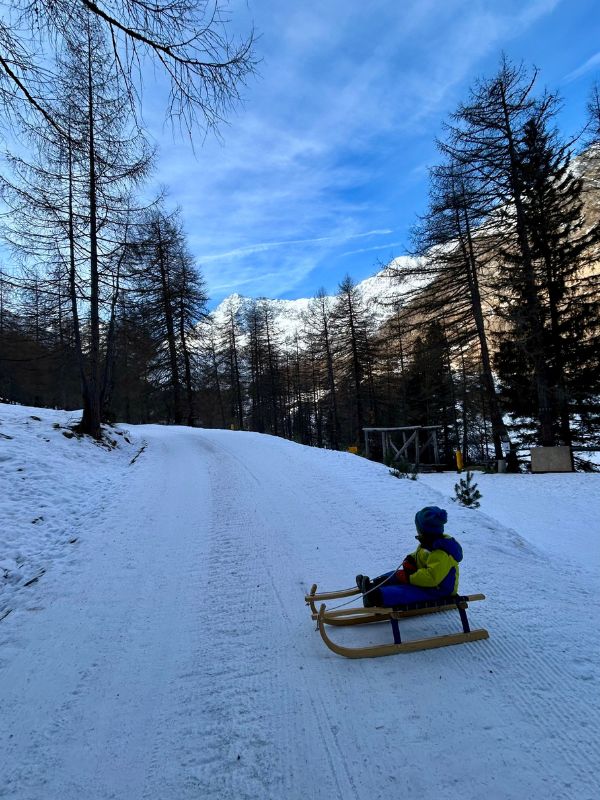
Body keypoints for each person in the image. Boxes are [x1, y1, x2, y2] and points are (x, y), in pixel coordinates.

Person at [356, 506, 463, 608]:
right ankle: (372, 585)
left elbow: (431, 578)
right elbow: (421, 555)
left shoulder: (442, 552)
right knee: (396, 574)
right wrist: (411, 559)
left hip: (438, 590)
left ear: (422, 530)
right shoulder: (429, 542)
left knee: (405, 592)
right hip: (425, 582)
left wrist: (409, 577)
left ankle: (374, 597)